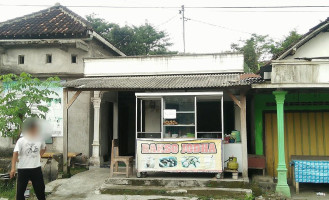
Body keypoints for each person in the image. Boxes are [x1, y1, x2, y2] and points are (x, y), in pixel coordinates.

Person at [10, 118, 47, 200]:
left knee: (40, 190)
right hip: (23, 169)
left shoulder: (40, 139)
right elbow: (15, 153)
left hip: (36, 168)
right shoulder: (21, 140)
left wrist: (39, 156)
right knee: (20, 192)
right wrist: (13, 168)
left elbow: (44, 148)